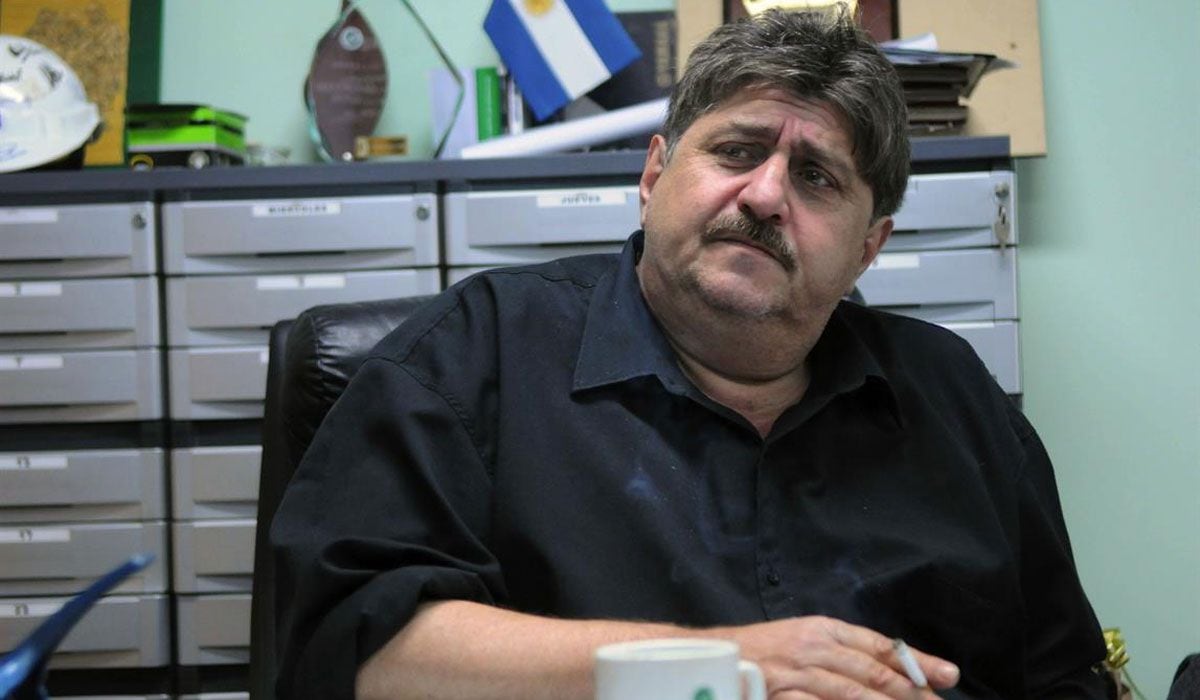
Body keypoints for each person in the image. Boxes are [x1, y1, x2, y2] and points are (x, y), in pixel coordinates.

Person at [272, 8, 1108, 699]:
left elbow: (1065, 678)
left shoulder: (954, 400)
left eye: (817, 178)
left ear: (867, 249)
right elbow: (352, 649)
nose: (766, 195)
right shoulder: (472, 353)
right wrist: (722, 667)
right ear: (654, 176)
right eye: (737, 151)